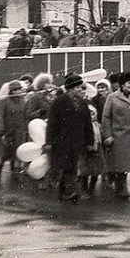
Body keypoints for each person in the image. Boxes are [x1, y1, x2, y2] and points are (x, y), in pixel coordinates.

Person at [45, 74, 94, 202]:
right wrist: (49, 142)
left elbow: (88, 124)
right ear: (71, 88)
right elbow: (52, 124)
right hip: (62, 141)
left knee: (71, 165)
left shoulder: (83, 103)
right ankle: (69, 191)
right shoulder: (59, 102)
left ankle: (64, 191)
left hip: (77, 141)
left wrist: (90, 141)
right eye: (78, 87)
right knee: (66, 166)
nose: (81, 89)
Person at [102, 71, 130, 199]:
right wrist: (107, 135)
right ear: (122, 84)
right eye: (128, 83)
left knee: (125, 163)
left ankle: (121, 185)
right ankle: (119, 185)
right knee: (118, 162)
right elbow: (106, 117)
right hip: (117, 135)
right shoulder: (112, 97)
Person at [0, 80, 27, 181]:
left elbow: (25, 116)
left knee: (18, 152)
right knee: (6, 152)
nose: (19, 91)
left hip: (20, 131)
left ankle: (16, 173)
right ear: (12, 91)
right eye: (17, 90)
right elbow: (0, 116)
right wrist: (1, 130)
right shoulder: (4, 101)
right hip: (8, 131)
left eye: (20, 90)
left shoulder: (23, 101)